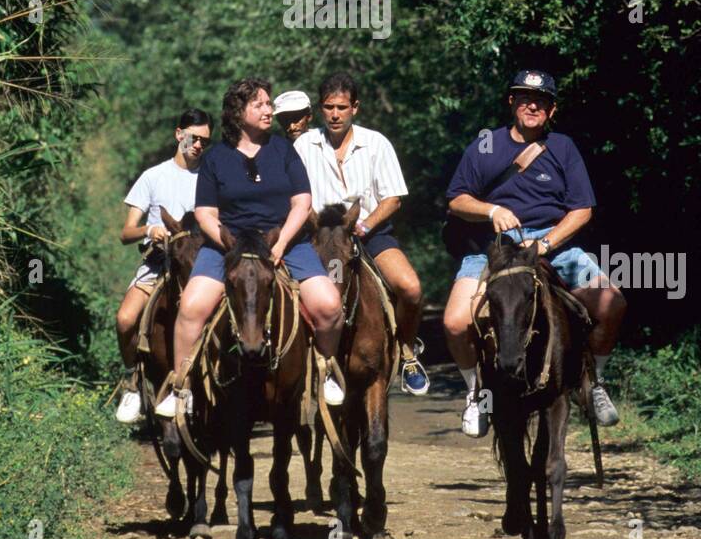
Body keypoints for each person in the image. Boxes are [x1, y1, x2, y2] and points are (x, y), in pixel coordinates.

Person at [442, 69, 625, 437]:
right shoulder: (486, 144)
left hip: (553, 243)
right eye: (524, 97)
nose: (532, 105)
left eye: (540, 100)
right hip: (493, 247)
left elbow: (582, 210)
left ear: (552, 109)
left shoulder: (564, 147)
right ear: (511, 102)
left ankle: (595, 383)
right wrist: (491, 211)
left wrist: (546, 243)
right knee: (456, 322)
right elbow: (457, 200)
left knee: (613, 303)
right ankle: (476, 393)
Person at [156, 77, 346, 418]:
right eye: (259, 104)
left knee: (330, 305)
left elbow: (302, 202)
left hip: (283, 242)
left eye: (268, 104)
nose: (269, 110)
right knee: (191, 305)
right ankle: (181, 386)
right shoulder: (216, 158)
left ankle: (325, 369)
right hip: (228, 245)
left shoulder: (284, 150)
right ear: (237, 111)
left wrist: (282, 242)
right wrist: (227, 243)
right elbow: (205, 213)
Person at [294, 73, 429, 395]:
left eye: (342, 107)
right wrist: (313, 222)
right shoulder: (304, 144)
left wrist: (364, 225)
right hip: (319, 237)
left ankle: (408, 352)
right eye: (328, 107)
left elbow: (393, 198)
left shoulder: (376, 143)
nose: (335, 114)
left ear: (355, 107)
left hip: (369, 233)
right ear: (320, 110)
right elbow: (296, 195)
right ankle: (287, 362)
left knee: (410, 288)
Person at [115, 108, 212, 423]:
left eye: (205, 142)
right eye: (194, 138)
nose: (198, 146)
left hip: (201, 264)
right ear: (179, 134)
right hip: (159, 262)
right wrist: (149, 229)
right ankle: (133, 381)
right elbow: (125, 233)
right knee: (126, 319)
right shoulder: (153, 176)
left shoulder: (212, 178)